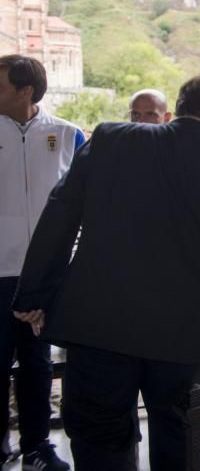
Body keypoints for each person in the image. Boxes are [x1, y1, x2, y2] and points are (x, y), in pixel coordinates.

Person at [12, 72, 200, 471]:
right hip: (184, 337)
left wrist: (34, 296)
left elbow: (60, 215)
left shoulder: (111, 139)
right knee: (178, 437)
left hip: (98, 328)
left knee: (98, 438)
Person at [0, 55, 79, 470]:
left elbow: (85, 206)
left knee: (37, 364)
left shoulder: (68, 134)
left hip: (47, 278)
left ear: (25, 91)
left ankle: (36, 448)